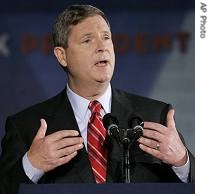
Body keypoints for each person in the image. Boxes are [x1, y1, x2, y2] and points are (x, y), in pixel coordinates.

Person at [0, 4, 195, 194]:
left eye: (106, 37)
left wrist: (182, 161)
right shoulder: (26, 126)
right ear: (62, 56)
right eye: (87, 40)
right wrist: (31, 165)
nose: (102, 47)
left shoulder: (155, 115)